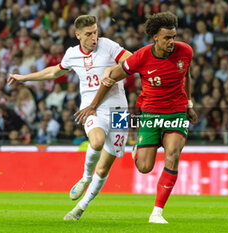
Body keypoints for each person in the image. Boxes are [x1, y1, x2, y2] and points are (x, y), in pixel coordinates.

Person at [76, 12, 197, 224]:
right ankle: (138, 151)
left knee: (173, 153)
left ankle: (157, 213)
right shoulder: (141, 57)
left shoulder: (185, 51)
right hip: (150, 114)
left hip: (176, 112)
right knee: (144, 167)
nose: (172, 42)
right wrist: (93, 105)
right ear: (155, 37)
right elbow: (113, 76)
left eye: (174, 37)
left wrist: (189, 104)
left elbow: (186, 74)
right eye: (167, 38)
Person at [7, 15, 132, 221]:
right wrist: (24, 78)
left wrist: (114, 68)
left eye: (96, 32)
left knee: (105, 166)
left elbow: (132, 59)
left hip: (119, 111)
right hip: (91, 108)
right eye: (89, 34)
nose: (94, 37)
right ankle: (85, 177)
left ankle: (80, 209)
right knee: (97, 141)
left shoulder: (108, 45)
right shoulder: (72, 54)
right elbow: (54, 72)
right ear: (78, 35)